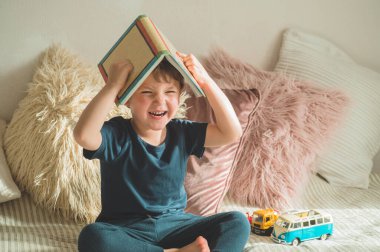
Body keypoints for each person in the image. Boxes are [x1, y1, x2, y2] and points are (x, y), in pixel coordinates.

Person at [74, 52, 250, 252]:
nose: (160, 101)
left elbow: (231, 132)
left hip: (176, 226)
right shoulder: (117, 133)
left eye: (169, 92)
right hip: (127, 230)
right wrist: (112, 85)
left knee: (237, 222)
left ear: (179, 95)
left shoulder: (182, 132)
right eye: (147, 92)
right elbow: (83, 135)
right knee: (93, 237)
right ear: (128, 99)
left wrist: (206, 81)